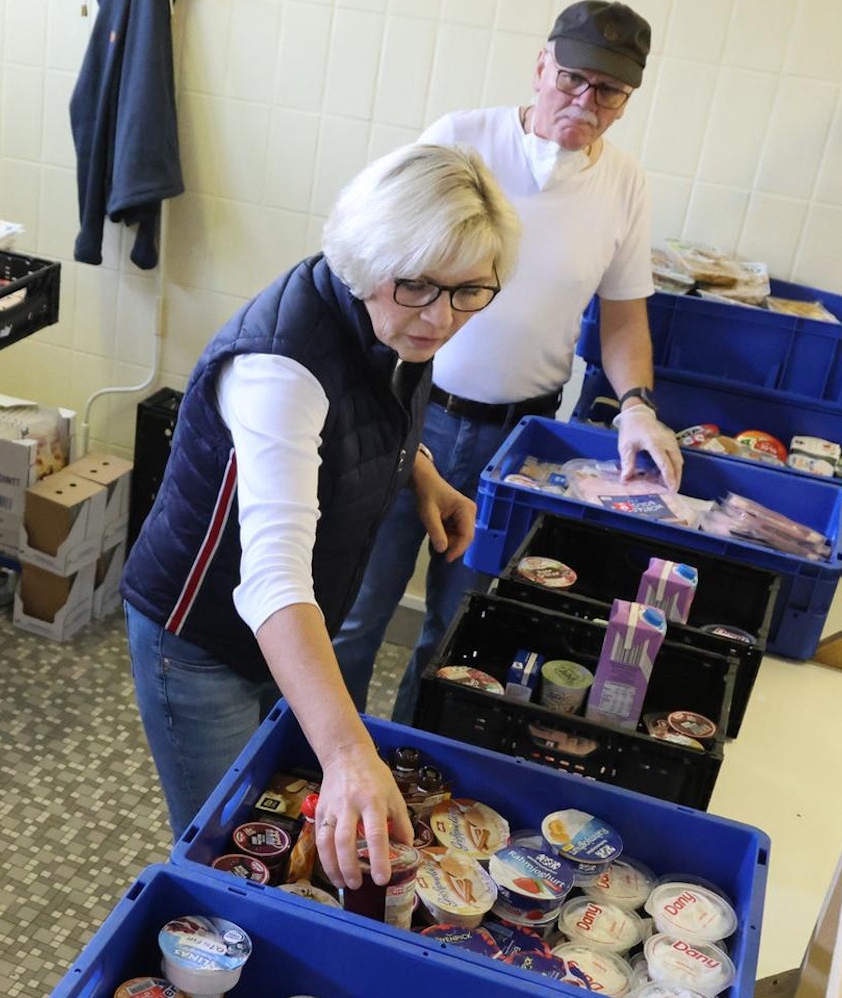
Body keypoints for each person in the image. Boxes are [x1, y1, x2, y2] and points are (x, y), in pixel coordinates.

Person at [123, 143, 521, 891]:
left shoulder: (393, 317)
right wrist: (347, 753)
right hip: (201, 641)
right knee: (236, 858)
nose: (442, 319)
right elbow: (270, 576)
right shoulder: (279, 367)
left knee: (290, 830)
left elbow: (367, 417)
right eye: (421, 288)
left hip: (287, 631)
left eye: (471, 292)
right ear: (367, 260)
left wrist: (421, 474)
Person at [333, 0, 683, 726]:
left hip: (517, 442)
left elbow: (622, 316)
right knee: (358, 611)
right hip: (411, 412)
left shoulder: (624, 185)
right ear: (540, 67)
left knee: (464, 631)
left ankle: (409, 773)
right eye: (572, 79)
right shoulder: (463, 140)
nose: (583, 101)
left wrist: (639, 407)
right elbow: (377, 263)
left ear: (626, 103)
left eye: (607, 91)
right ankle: (319, 761)